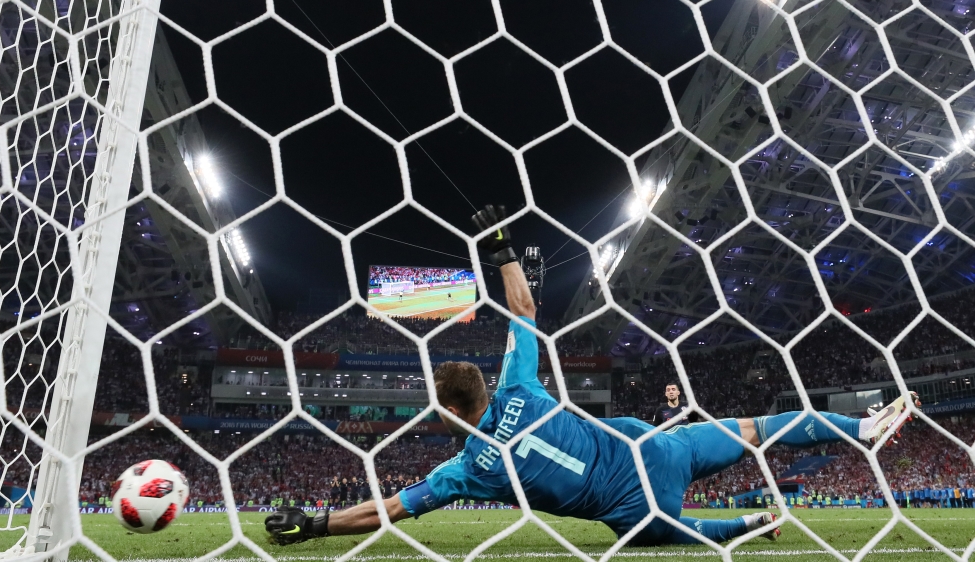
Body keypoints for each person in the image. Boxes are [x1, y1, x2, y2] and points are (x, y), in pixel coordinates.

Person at [264, 204, 921, 547]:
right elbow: (522, 307)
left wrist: (321, 524)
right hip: (653, 446)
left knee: (674, 535)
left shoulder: (467, 470)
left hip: (639, 506)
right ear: (484, 390)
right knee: (755, 428)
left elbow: (386, 510)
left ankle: (745, 527)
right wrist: (497, 247)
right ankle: (860, 426)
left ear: (447, 413)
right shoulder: (518, 386)